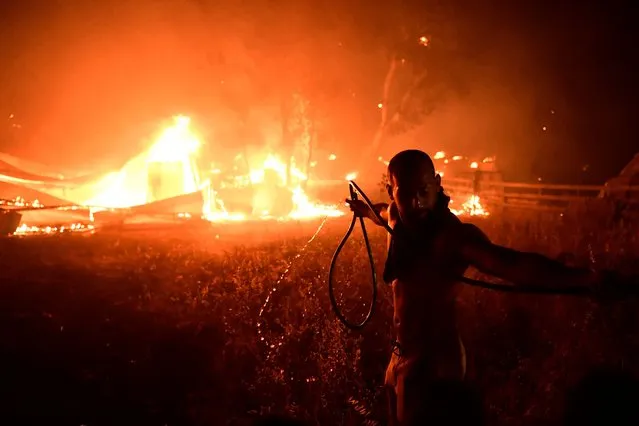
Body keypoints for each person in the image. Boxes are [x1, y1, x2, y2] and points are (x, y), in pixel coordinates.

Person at [346, 149, 618, 425]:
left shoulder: (455, 238)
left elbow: (512, 264)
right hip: (400, 357)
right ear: (391, 191)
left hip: (436, 363)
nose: (417, 202)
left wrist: (585, 278)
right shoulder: (395, 216)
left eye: (424, 190)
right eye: (405, 194)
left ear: (437, 184)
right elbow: (382, 213)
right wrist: (365, 211)